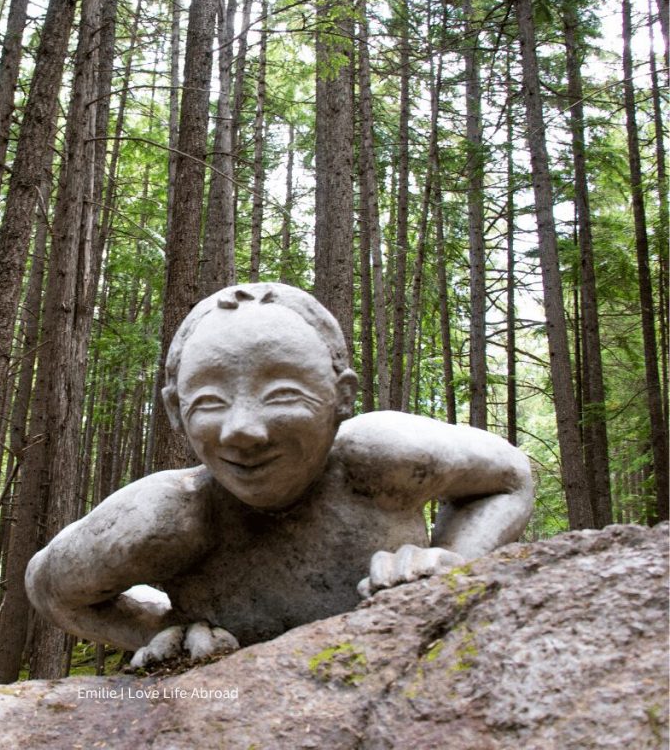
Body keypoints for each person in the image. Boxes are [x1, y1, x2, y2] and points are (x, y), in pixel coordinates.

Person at [26, 283, 534, 667]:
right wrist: (165, 629)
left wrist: (451, 567)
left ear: (343, 397)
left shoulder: (382, 458)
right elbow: (49, 586)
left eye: (282, 394)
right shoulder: (166, 518)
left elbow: (511, 477)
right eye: (208, 403)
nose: (242, 431)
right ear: (176, 413)